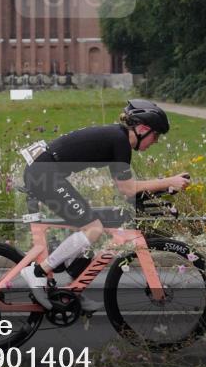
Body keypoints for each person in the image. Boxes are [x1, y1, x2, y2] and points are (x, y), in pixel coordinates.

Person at [19, 99, 191, 311]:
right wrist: (168, 181)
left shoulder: (116, 139)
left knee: (98, 227)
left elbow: (124, 190)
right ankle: (37, 272)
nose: (155, 141)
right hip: (44, 175)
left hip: (46, 173)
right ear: (143, 129)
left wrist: (160, 190)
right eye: (155, 136)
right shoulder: (120, 142)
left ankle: (71, 289)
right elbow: (128, 188)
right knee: (94, 228)